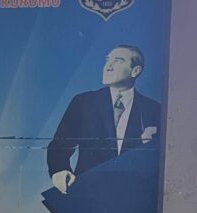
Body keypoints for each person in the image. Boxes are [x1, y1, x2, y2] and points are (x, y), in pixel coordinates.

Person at [47, 44, 161, 194]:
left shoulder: (154, 110)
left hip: (134, 197)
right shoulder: (83, 103)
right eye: (107, 60)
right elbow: (59, 147)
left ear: (136, 70)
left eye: (118, 61)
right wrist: (60, 171)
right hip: (88, 195)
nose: (108, 66)